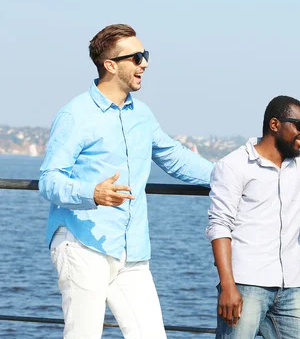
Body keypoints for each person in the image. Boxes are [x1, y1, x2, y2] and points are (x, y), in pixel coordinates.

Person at [39, 24, 214, 339]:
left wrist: (235, 178)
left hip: (131, 251)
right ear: (110, 65)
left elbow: (176, 158)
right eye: (135, 57)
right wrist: (92, 193)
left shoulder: (142, 115)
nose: (144, 63)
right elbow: (49, 181)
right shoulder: (75, 115)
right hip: (81, 244)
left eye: (144, 55)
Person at [205, 95, 300, 338]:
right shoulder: (233, 165)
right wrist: (227, 287)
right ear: (274, 124)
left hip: (291, 287)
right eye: (299, 126)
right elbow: (219, 226)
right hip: (246, 284)